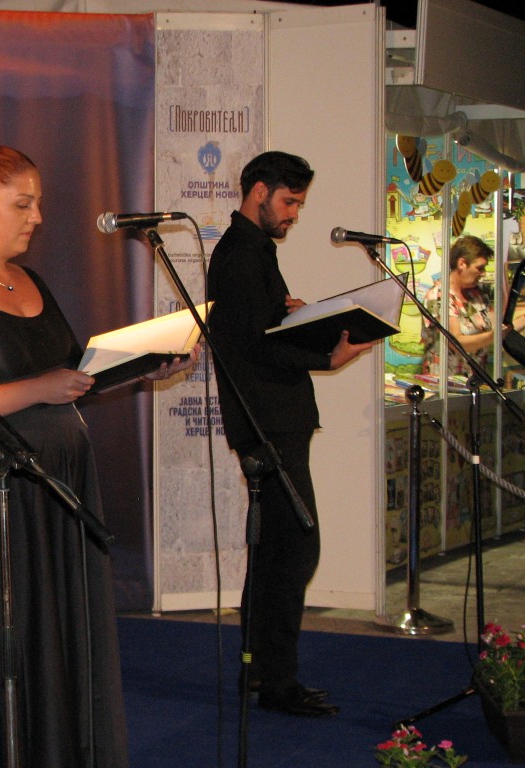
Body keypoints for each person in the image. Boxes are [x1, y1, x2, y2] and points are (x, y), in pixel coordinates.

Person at [0, 143, 191, 767]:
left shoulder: (29, 281)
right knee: (5, 634)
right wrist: (37, 389)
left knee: (54, 630)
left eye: (38, 204)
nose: (37, 217)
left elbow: (71, 373)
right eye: (23, 204)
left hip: (57, 478)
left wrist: (144, 367)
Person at [207, 151, 373, 718]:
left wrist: (297, 318)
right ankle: (276, 682)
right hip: (266, 422)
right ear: (259, 191)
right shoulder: (240, 255)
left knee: (277, 550)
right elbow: (255, 346)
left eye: (299, 203)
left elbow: (262, 330)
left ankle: (260, 670)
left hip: (275, 419)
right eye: (289, 201)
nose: (295, 214)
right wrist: (326, 356)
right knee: (296, 548)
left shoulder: (253, 250)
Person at [421, 235, 523, 379]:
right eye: (479, 268)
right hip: (445, 383)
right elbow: (456, 342)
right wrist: (493, 336)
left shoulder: (477, 295)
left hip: (474, 381)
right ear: (462, 263)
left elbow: (500, 328)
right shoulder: (438, 296)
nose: (483, 273)